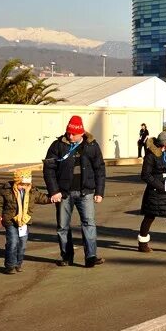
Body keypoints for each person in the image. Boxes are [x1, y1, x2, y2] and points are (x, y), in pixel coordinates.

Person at [43, 115, 106, 268]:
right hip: (64, 193)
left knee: (89, 224)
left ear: (81, 133)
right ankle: (66, 256)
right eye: (68, 132)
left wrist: (99, 191)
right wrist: (54, 191)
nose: (70, 136)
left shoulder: (91, 145)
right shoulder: (57, 145)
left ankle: (91, 256)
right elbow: (48, 169)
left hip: (86, 192)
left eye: (73, 134)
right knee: (63, 226)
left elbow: (100, 169)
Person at [0, 168, 52, 274]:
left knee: (22, 243)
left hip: (24, 221)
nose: (23, 187)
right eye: (21, 184)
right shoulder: (4, 190)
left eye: (26, 184)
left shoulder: (32, 191)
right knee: (13, 242)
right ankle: (10, 265)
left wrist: (52, 198)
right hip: (10, 220)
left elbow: (42, 198)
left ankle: (18, 264)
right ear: (16, 182)